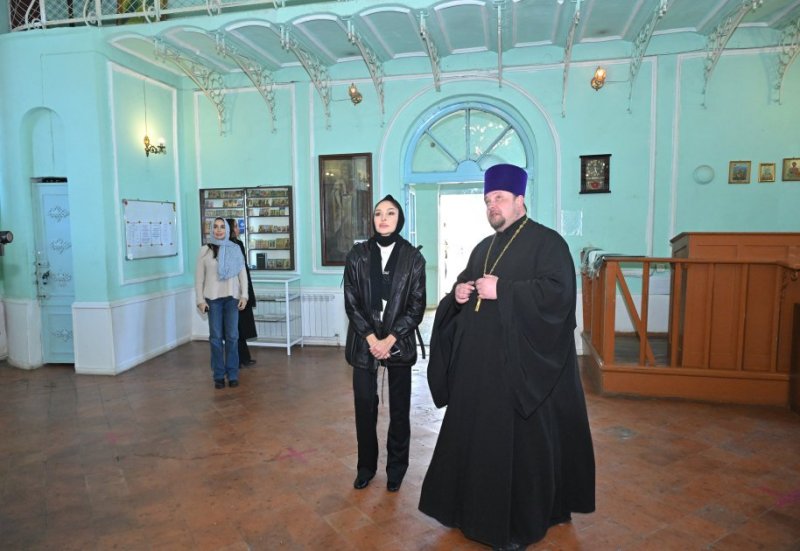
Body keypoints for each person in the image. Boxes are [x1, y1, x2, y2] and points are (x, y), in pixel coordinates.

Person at [418, 164, 595, 550]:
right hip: (478, 372)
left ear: (519, 200)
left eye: (499, 198)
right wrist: (458, 294)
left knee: (518, 448)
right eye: (487, 200)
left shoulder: (548, 243)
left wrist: (506, 290)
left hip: (521, 372)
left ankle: (517, 522)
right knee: (477, 443)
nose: (492, 206)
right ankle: (467, 510)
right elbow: (465, 283)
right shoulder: (484, 247)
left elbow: (559, 296)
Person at [343, 194, 426, 492]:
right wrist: (371, 338)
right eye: (378, 213)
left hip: (398, 341)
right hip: (363, 341)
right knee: (364, 407)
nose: (383, 218)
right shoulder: (358, 255)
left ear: (399, 219)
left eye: (390, 213)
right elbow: (351, 302)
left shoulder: (413, 258)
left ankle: (396, 469)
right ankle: (365, 467)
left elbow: (416, 307)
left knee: (399, 410)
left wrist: (389, 339)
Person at [195, 217, 248, 389]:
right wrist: (200, 300)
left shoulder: (235, 249)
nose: (219, 230)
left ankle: (232, 374)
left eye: (222, 227)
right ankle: (218, 375)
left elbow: (242, 274)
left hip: (232, 298)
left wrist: (244, 295)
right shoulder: (205, 251)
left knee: (232, 337)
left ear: (227, 230)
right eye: (216, 227)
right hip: (213, 300)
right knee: (216, 338)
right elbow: (199, 279)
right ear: (212, 230)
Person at [226, 218, 257, 367]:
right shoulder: (230, 245)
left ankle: (244, 357)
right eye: (236, 226)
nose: (238, 229)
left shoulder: (238, 243)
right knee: (235, 326)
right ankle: (237, 359)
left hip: (241, 289)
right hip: (234, 291)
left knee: (241, 326)